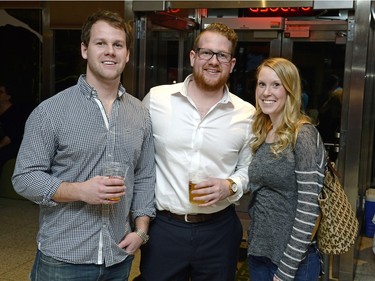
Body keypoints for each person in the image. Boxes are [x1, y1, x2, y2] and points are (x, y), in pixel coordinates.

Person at [12, 10, 155, 281]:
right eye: (100, 43)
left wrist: (141, 230)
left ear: (127, 54)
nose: (110, 51)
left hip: (118, 255)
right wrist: (80, 190)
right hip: (64, 258)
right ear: (84, 49)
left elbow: (145, 175)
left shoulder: (139, 113)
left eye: (118, 45)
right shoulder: (51, 111)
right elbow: (24, 177)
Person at [139, 22, 256, 281]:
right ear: (193, 57)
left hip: (219, 231)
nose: (213, 61)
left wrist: (231, 185)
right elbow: (136, 157)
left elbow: (249, 168)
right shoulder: (157, 100)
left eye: (222, 55)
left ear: (232, 63)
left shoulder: (246, 114)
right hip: (164, 228)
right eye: (206, 53)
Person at [247, 57, 327, 281]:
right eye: (262, 84)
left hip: (293, 263)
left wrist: (286, 271)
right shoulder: (265, 131)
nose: (266, 92)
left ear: (290, 90)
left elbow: (309, 210)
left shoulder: (304, 135)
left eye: (276, 85)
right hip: (260, 254)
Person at [0, 80, 26, 170]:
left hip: (11, 148)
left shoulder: (15, 113)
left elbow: (10, 137)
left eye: (1, 92)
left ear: (8, 96)